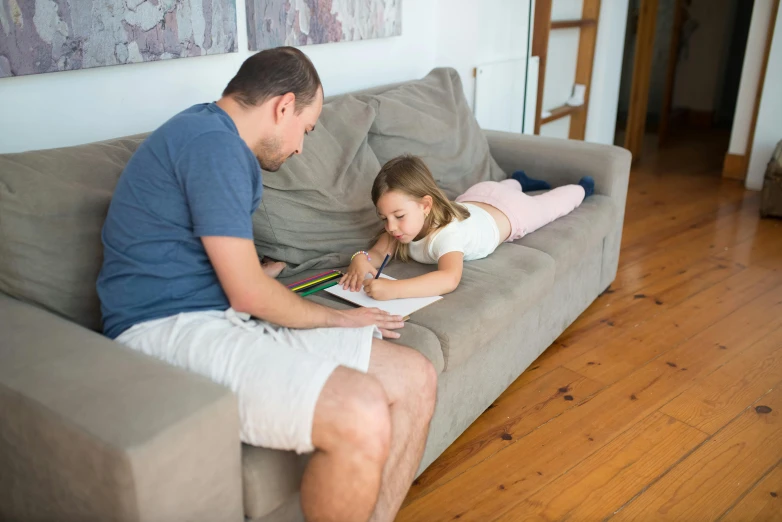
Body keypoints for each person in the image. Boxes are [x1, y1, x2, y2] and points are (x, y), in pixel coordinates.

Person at [97, 47, 437, 522]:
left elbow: (228, 270)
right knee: (360, 410)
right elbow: (248, 294)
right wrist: (340, 317)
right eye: (307, 127)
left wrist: (260, 274)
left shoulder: (213, 139)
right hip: (166, 329)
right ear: (282, 106)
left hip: (220, 318)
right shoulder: (213, 146)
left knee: (415, 378)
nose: (301, 146)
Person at [340, 155, 594, 300]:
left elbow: (449, 278)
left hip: (511, 212)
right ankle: (518, 180)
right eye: (384, 218)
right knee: (504, 187)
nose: (391, 227)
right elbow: (375, 254)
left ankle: (581, 188)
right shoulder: (400, 229)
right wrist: (359, 259)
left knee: (550, 205)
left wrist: (395, 290)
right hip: (477, 196)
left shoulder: (447, 235)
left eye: (398, 216)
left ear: (426, 205)